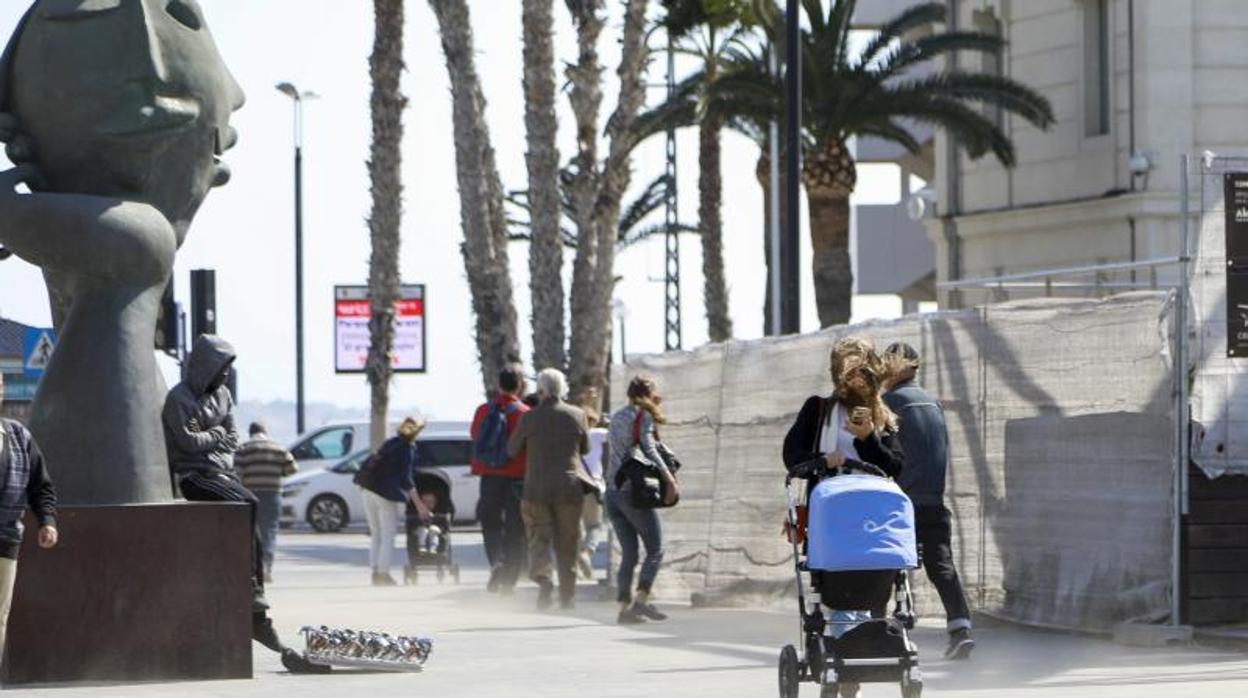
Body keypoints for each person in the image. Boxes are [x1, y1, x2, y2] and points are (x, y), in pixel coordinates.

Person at [162, 335, 325, 673]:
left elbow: (232, 438)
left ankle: (255, 587)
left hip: (220, 471)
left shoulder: (223, 396)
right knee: (242, 504)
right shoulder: (179, 398)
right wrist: (216, 435)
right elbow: (188, 442)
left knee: (251, 508)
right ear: (208, 367)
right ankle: (250, 585)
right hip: (194, 475)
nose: (225, 376)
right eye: (221, 369)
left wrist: (213, 436)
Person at [782, 337, 905, 698]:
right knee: (837, 594)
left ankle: (851, 670)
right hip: (830, 515)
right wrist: (824, 462)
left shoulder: (883, 417)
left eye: (864, 378)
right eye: (851, 378)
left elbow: (896, 466)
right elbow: (793, 456)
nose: (858, 386)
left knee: (871, 591)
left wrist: (869, 440)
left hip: (872, 519)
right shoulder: (819, 410)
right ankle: (839, 665)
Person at [883, 342, 975, 660]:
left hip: (901, 501)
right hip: (933, 499)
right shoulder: (932, 403)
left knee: (886, 561)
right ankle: (960, 628)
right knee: (941, 566)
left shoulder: (889, 403)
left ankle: (898, 617)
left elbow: (882, 454)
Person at [507, 368, 590, 611]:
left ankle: (543, 581)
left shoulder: (529, 418)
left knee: (538, 539)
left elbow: (512, 450)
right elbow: (584, 449)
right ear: (562, 388)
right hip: (569, 488)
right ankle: (568, 596)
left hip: (536, 490)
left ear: (540, 390)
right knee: (568, 542)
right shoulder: (578, 415)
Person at [606, 375, 679, 625]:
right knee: (656, 549)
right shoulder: (643, 416)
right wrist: (669, 478)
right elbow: (648, 448)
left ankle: (624, 609)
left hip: (611, 493)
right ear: (649, 393)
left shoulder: (616, 416)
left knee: (629, 553)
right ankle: (641, 601)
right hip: (630, 492)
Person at [0, 371, 57, 665]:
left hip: (6, 540)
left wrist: (47, 520)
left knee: (0, 616)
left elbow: (41, 484)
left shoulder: (19, 436)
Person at [470, 365, 530, 593]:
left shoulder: (483, 410)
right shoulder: (524, 412)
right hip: (516, 478)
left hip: (489, 476)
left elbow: (475, 436)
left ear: (499, 385)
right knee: (516, 530)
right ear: (520, 386)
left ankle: (496, 562)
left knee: (491, 524)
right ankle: (509, 581)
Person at [358, 417, 431, 586]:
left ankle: (375, 571)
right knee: (388, 534)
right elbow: (407, 479)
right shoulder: (407, 449)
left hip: (367, 489)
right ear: (418, 432)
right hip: (385, 494)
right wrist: (420, 505)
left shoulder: (390, 442)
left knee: (376, 533)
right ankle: (383, 575)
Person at [234, 421, 297, 582]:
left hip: (250, 496)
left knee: (251, 533)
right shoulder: (279, 448)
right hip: (273, 495)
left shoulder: (243, 449)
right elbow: (292, 469)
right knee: (269, 531)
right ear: (265, 432)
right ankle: (267, 567)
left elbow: (237, 474)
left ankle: (254, 570)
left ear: (250, 433)